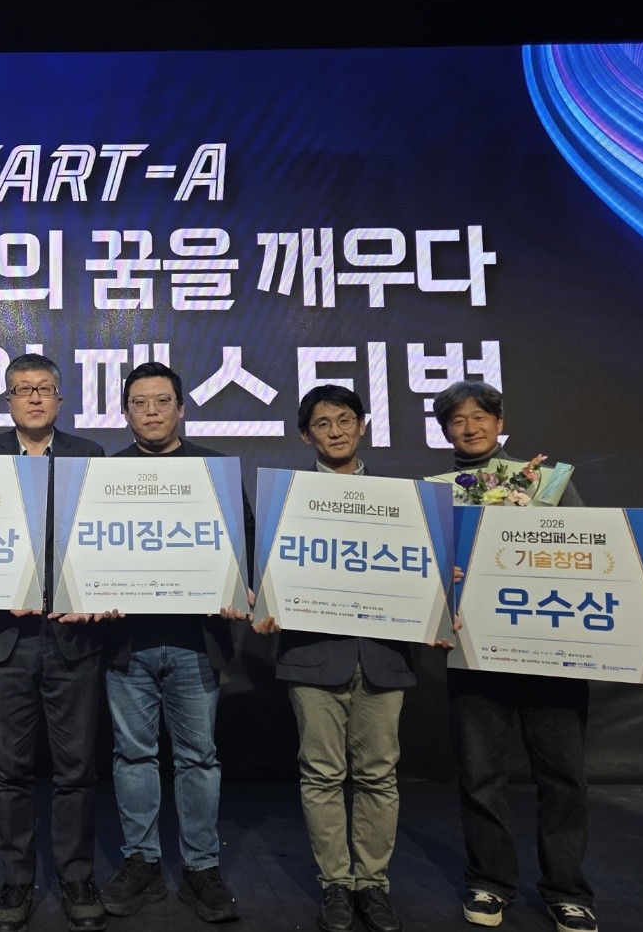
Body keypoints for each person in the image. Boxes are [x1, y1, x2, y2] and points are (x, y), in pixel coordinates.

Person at [434, 381, 596, 932]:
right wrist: (444, 573)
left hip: (552, 646)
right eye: (458, 420)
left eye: (481, 416)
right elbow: (423, 569)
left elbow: (590, 546)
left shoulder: (548, 483)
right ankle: (490, 883)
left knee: (563, 777)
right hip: (476, 646)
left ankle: (567, 891)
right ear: (445, 431)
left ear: (500, 423)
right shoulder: (436, 496)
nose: (471, 427)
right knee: (481, 775)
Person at [252, 385, 411, 932]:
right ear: (306, 436)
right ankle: (336, 885)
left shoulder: (401, 501)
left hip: (383, 656)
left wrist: (440, 589)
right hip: (313, 657)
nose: (336, 431)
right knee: (321, 774)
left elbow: (421, 571)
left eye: (345, 420)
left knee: (379, 776)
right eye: (323, 424)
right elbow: (266, 573)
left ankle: (374, 885)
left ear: (363, 425)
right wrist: (265, 603)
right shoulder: (286, 500)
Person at [98, 361, 252, 925]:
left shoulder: (214, 472)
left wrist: (238, 586)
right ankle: (142, 861)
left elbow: (243, 543)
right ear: (125, 412)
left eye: (162, 401)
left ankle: (200, 869)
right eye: (139, 403)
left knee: (198, 758)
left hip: (195, 641)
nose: (152, 412)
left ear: (182, 409)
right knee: (132, 755)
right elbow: (86, 550)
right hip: (127, 641)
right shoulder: (105, 475)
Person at [0, 354, 109, 932]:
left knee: (76, 769)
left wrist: (106, 589)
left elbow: (105, 539)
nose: (34, 398)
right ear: (8, 400)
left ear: (59, 398)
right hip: (3, 641)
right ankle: (17, 880)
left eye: (44, 389)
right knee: (9, 771)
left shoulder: (88, 456)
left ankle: (76, 877)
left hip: (73, 637)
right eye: (22, 389)